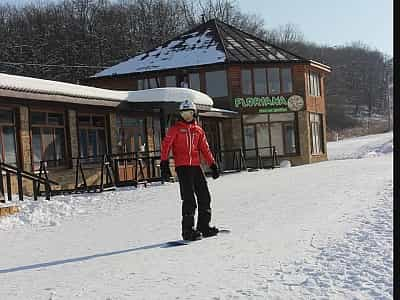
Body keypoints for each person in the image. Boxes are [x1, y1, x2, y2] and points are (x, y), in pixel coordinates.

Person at [160, 100, 220, 241]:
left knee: (204, 196)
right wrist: (164, 162)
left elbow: (205, 148)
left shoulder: (198, 130)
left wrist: (212, 164)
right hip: (182, 167)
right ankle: (188, 230)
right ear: (180, 114)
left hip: (196, 166)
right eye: (184, 113)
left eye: (189, 113)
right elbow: (166, 145)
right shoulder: (175, 129)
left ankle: (204, 226)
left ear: (194, 113)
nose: (187, 116)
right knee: (189, 198)